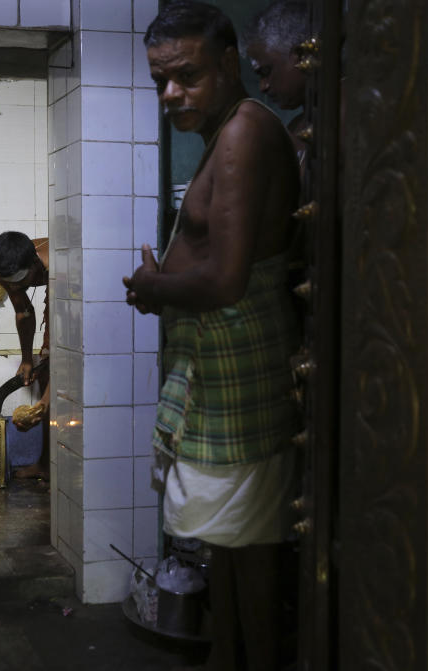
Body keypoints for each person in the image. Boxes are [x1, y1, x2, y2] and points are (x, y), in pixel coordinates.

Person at [124, 3, 301, 670]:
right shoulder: (225, 130)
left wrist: (152, 286)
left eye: (186, 76)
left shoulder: (245, 133)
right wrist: (162, 283)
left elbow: (227, 279)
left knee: (250, 553)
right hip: (216, 377)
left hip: (243, 375)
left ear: (229, 66)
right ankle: (228, 655)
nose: (171, 94)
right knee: (228, 548)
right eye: (160, 82)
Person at [0, 231, 50, 480]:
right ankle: (45, 465)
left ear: (34, 264)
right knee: (45, 374)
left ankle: (56, 467)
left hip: (76, 300)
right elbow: (24, 311)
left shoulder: (59, 266)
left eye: (20, 280)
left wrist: (43, 405)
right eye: (9, 282)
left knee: (57, 373)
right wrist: (27, 360)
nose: (14, 287)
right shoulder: (5, 268)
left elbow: (64, 340)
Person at [243, 0, 311, 177]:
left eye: (266, 71)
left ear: (301, 56)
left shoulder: (346, 114)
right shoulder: (295, 128)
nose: (263, 86)